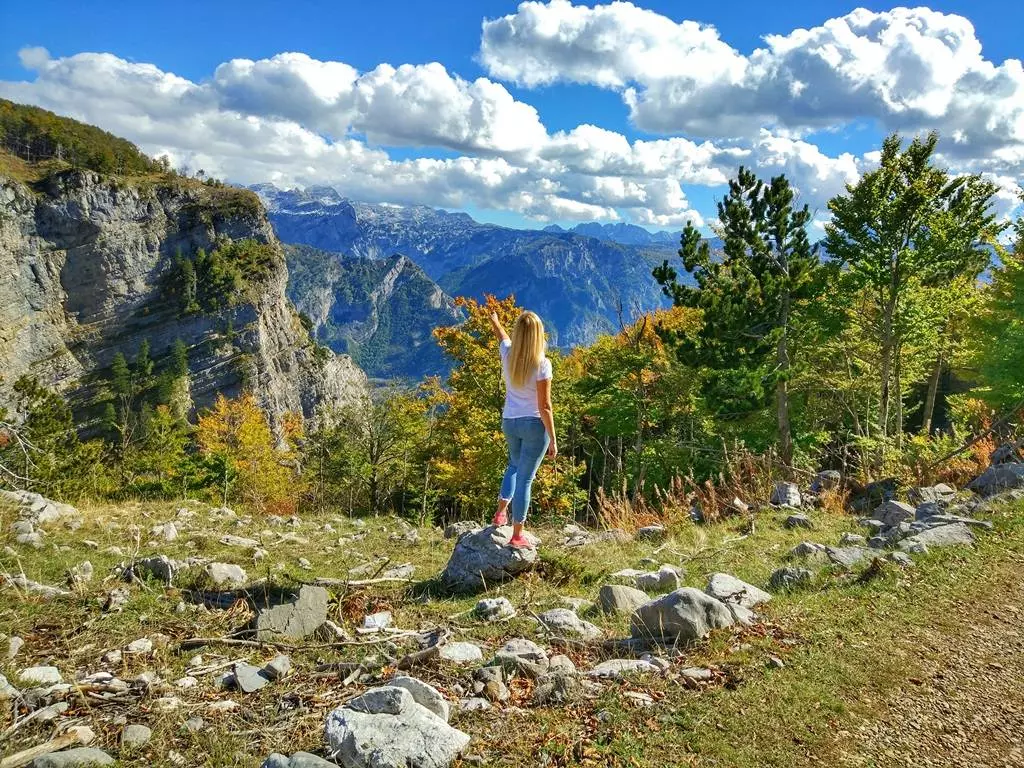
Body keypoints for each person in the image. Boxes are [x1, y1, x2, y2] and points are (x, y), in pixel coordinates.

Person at [489, 309, 557, 548]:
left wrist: (495, 321)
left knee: (513, 466)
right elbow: (545, 406)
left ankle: (500, 514)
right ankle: (517, 535)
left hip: (510, 422)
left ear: (518, 332)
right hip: (534, 426)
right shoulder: (542, 364)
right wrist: (553, 437)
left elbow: (501, 336)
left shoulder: (508, 353)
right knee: (526, 480)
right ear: (539, 335)